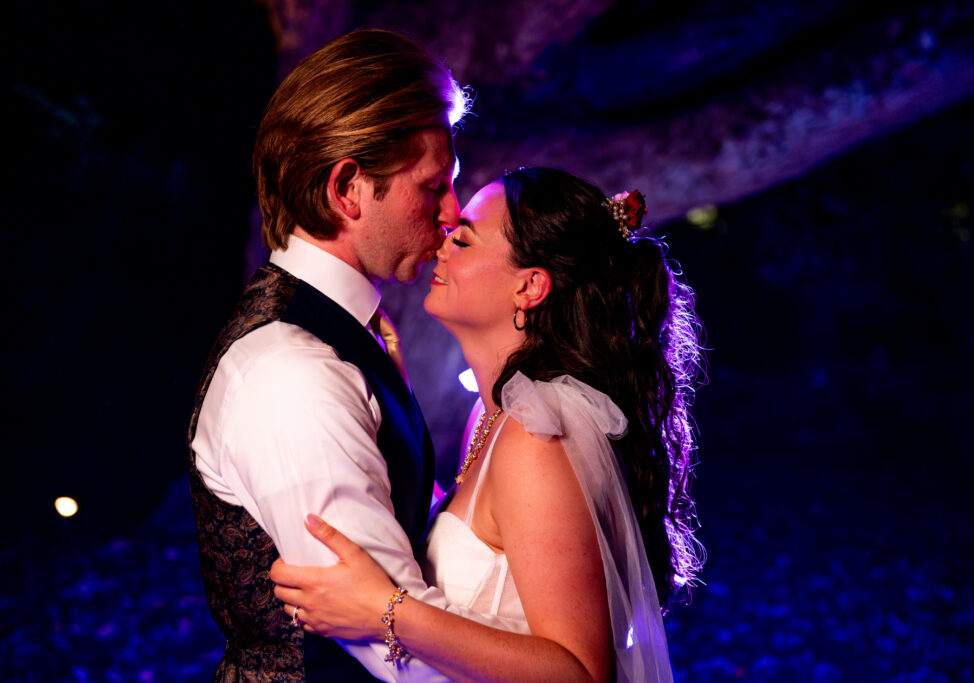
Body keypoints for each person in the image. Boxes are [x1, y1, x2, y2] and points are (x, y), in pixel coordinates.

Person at [271, 167, 705, 681]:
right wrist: (392, 396)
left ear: (529, 287)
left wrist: (383, 611)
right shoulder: (494, 413)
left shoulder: (536, 436)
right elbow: (485, 548)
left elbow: (581, 673)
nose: (442, 242)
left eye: (466, 238)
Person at [187, 29, 522, 682]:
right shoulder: (292, 375)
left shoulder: (343, 331)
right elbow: (397, 658)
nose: (453, 213)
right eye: (433, 187)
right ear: (348, 189)